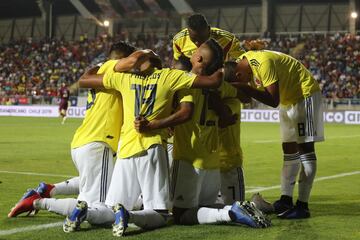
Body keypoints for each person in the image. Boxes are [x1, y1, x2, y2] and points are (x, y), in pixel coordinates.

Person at [66, 39, 226, 237]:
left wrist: (106, 65)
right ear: (158, 63)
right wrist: (222, 67)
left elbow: (84, 80)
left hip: (126, 149)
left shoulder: (123, 79)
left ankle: (86, 211)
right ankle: (129, 216)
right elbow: (213, 82)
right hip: (152, 147)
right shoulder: (169, 76)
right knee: (160, 213)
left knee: (110, 207)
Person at [7, 41, 137, 220]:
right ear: (122, 60)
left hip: (84, 142)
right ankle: (36, 201)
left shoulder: (102, 74)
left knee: (96, 187)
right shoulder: (112, 69)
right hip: (98, 144)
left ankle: (51, 190)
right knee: (99, 210)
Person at [226, 49, 324, 219]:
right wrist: (243, 88)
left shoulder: (262, 62)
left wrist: (245, 88)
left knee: (305, 148)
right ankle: (286, 199)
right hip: (288, 100)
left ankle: (302, 205)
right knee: (289, 149)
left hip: (304, 94)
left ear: (238, 73)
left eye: (241, 81)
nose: (248, 83)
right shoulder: (245, 63)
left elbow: (272, 100)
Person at [172, 13, 245, 62]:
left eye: (202, 39)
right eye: (193, 39)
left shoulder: (227, 39)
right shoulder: (178, 40)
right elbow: (177, 62)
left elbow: (243, 60)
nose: (198, 43)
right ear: (188, 32)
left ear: (209, 30)